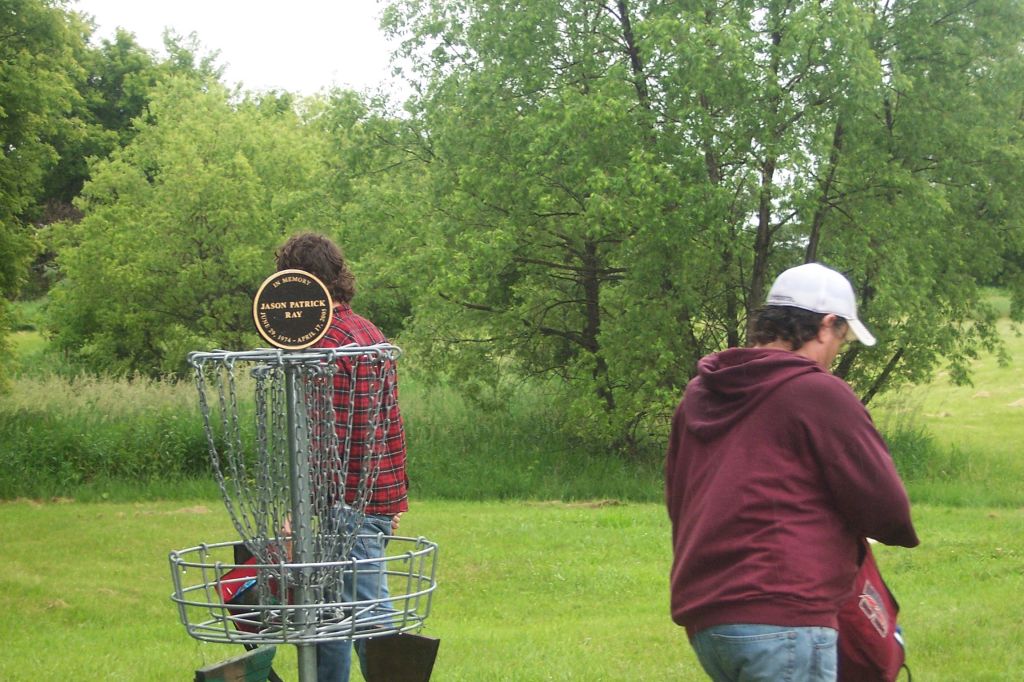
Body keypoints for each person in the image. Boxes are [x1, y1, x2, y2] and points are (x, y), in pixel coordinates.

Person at [665, 262, 919, 682]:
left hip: (708, 620)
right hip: (783, 614)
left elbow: (679, 497)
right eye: (841, 338)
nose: (835, 353)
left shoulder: (700, 393)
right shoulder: (818, 392)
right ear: (827, 324)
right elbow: (885, 507)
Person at [275, 232, 409, 682]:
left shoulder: (324, 345)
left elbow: (323, 442)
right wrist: (388, 501)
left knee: (370, 619)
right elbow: (388, 422)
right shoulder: (367, 331)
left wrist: (299, 512)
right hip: (368, 499)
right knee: (329, 618)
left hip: (346, 505)